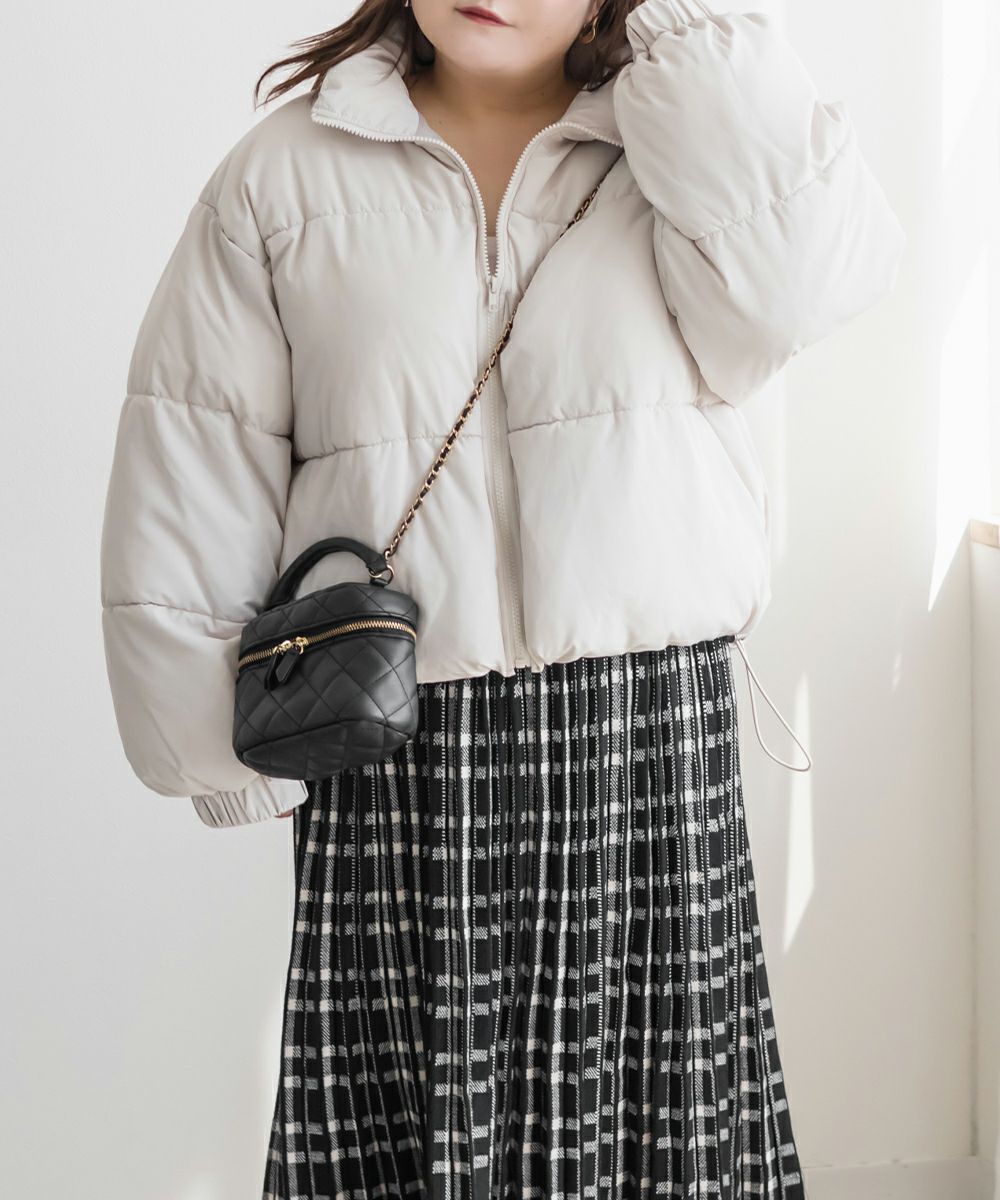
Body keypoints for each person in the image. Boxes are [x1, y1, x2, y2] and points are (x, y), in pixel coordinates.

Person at [98, 1, 905, 1196]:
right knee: (408, 1129)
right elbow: (197, 454)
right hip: (396, 746)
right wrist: (217, 755)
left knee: (653, 1127)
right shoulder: (281, 175)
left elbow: (810, 281)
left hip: (647, 740)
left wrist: (680, 36)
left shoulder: (680, 135)